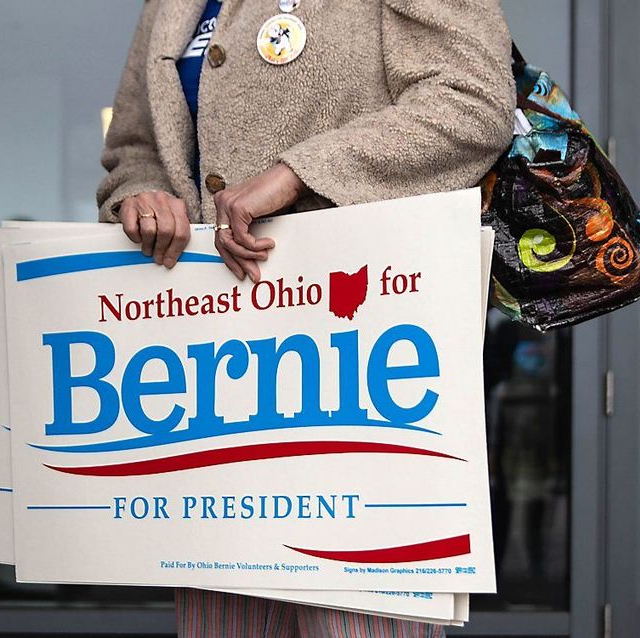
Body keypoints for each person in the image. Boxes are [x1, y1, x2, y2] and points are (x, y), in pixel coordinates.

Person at [98, 0, 515, 635]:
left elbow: (473, 101)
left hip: (358, 368)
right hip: (216, 385)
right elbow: (135, 146)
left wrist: (299, 173)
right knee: (225, 617)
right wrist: (141, 193)